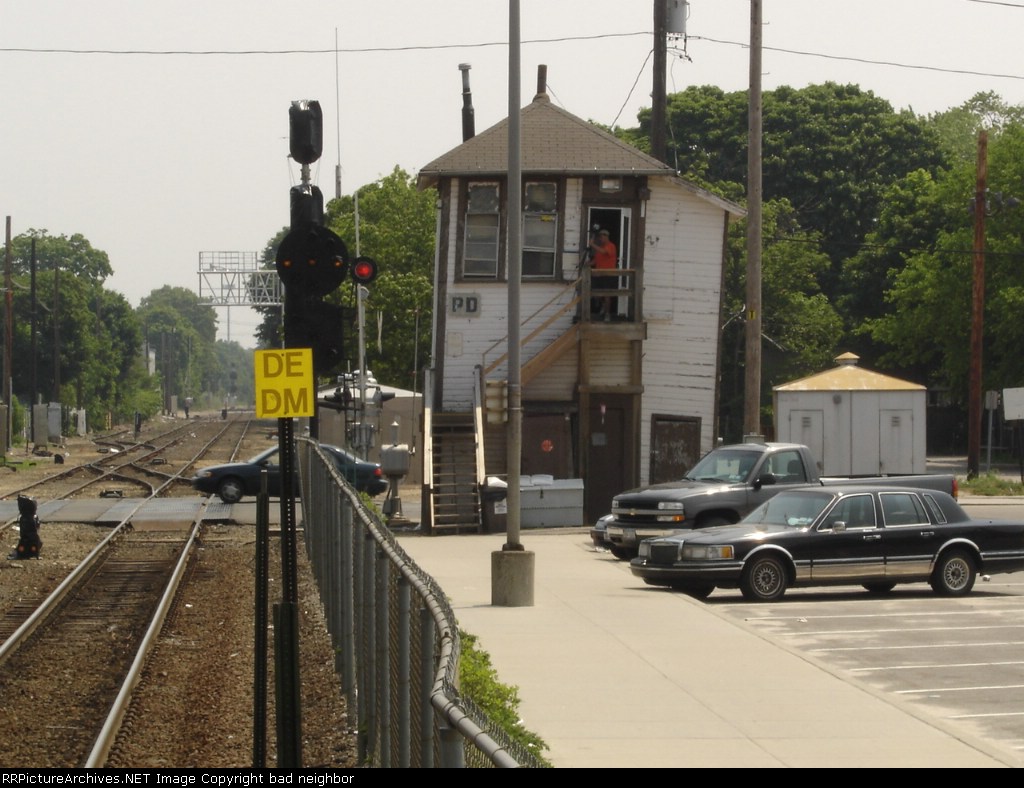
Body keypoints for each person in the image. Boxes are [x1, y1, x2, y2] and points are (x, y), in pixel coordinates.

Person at [588, 228, 618, 320]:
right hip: (599, 274)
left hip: (608, 275)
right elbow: (595, 261)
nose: (600, 239)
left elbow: (604, 252)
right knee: (597, 294)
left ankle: (607, 313)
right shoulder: (600, 248)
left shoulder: (611, 246)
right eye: (599, 237)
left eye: (601, 237)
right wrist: (586, 264)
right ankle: (603, 307)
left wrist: (592, 244)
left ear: (606, 237)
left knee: (606, 295)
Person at [8, 495, 41, 559]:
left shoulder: (25, 518)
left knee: (26, 543)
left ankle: (23, 553)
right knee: (33, 543)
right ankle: (33, 553)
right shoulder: (33, 518)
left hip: (27, 539)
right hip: (32, 540)